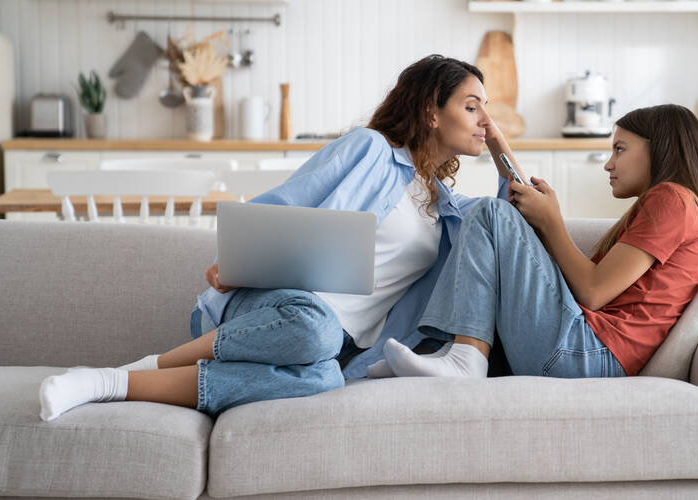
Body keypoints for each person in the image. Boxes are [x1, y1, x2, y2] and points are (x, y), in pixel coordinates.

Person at [38, 54, 525, 421]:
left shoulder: (450, 211)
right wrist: (236, 258)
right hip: (279, 307)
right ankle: (144, 365)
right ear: (431, 112)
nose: (486, 120)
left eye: (487, 110)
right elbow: (286, 203)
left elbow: (509, 221)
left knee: (327, 375)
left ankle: (111, 383)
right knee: (315, 327)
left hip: (336, 347)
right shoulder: (371, 150)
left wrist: (502, 148)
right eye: (472, 106)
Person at [378, 104, 698, 379]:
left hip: (587, 354)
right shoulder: (670, 206)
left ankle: (463, 357)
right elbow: (541, 252)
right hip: (582, 349)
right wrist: (495, 141)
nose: (608, 163)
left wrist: (553, 223)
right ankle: (447, 353)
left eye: (620, 149)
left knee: (491, 213)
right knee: (499, 217)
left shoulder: (673, 200)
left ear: (660, 149)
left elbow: (592, 291)